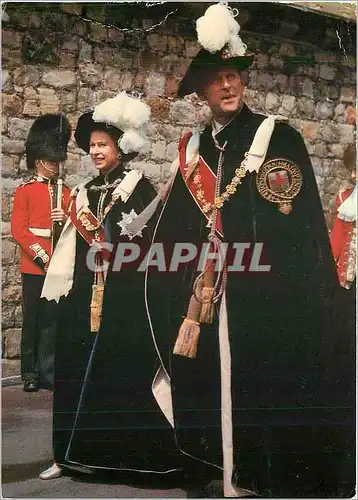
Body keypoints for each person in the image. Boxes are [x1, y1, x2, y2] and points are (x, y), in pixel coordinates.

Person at [145, 4, 355, 497]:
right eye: (217, 79)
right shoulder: (194, 148)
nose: (228, 85)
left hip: (262, 298)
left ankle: (261, 474)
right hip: (209, 296)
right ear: (201, 91)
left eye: (233, 75)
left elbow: (292, 230)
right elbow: (176, 223)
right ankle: (224, 468)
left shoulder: (277, 137)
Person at [40, 92, 181, 480]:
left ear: (120, 147)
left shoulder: (139, 188)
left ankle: (125, 459)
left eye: (102, 145)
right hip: (85, 293)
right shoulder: (83, 193)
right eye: (91, 147)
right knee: (73, 366)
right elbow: (70, 246)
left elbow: (155, 242)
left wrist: (116, 250)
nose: (96, 152)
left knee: (118, 371)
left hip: (125, 296)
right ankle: (66, 455)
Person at [11, 114, 71, 393]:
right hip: (34, 265)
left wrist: (66, 215)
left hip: (58, 263)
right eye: (51, 161)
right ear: (38, 160)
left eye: (58, 161)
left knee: (52, 320)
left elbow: (76, 227)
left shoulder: (66, 192)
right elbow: (19, 231)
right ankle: (30, 373)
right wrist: (41, 256)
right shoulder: (25, 191)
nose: (56, 166)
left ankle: (49, 372)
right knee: (33, 319)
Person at [330, 143, 356, 291]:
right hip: (348, 271)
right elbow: (337, 238)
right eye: (352, 169)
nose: (353, 175)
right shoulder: (344, 198)